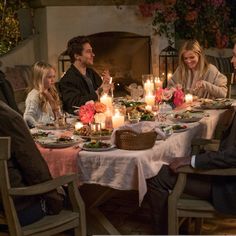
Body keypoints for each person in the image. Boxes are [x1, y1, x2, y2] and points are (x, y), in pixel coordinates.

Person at [146, 42, 236, 235]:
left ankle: (165, 231)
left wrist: (192, 160)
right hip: (223, 172)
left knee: (155, 174)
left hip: (227, 185)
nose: (232, 61)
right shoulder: (181, 71)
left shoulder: (210, 70)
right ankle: (181, 226)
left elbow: (233, 157)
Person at [0, 101, 64, 227]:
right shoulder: (7, 117)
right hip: (16, 209)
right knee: (66, 195)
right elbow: (35, 168)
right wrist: (56, 199)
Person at [58, 36, 112, 114]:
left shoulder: (91, 72)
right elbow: (74, 103)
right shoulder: (67, 80)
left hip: (97, 116)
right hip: (79, 121)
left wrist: (106, 84)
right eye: (88, 52)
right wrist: (99, 92)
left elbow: (103, 94)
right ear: (77, 56)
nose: (93, 55)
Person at [24, 61, 62, 128]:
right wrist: (38, 126)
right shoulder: (34, 95)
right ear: (40, 78)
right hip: (41, 133)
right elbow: (27, 117)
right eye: (49, 77)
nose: (53, 80)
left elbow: (58, 117)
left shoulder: (51, 92)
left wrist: (52, 101)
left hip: (52, 130)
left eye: (54, 76)